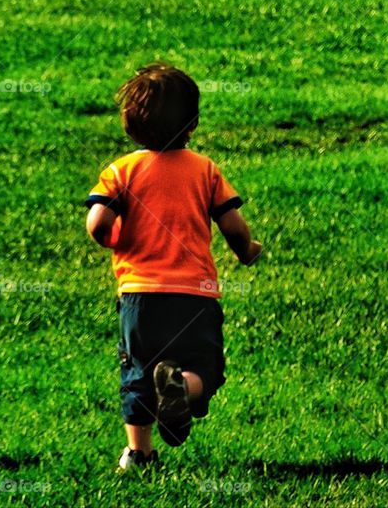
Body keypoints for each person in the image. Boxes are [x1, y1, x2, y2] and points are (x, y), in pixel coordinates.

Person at [84, 64, 261, 470]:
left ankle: (139, 454)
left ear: (129, 125)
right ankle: (183, 386)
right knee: (206, 367)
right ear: (193, 123)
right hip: (194, 296)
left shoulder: (121, 171)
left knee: (138, 374)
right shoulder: (205, 170)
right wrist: (248, 249)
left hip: (139, 296)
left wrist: (114, 239)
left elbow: (98, 223)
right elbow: (232, 225)